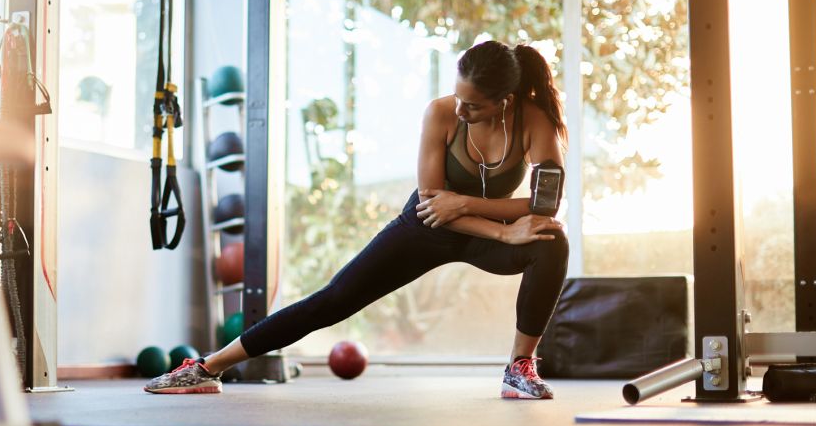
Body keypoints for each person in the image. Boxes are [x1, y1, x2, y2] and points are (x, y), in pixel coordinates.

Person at [145, 40, 569, 399]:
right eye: (458, 98)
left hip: (471, 227)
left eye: (473, 106)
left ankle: (519, 368)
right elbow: (431, 202)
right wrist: (501, 229)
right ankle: (206, 368)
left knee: (552, 242)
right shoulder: (440, 114)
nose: (460, 110)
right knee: (333, 299)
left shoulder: (535, 122)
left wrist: (467, 207)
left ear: (505, 102)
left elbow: (544, 203)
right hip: (424, 227)